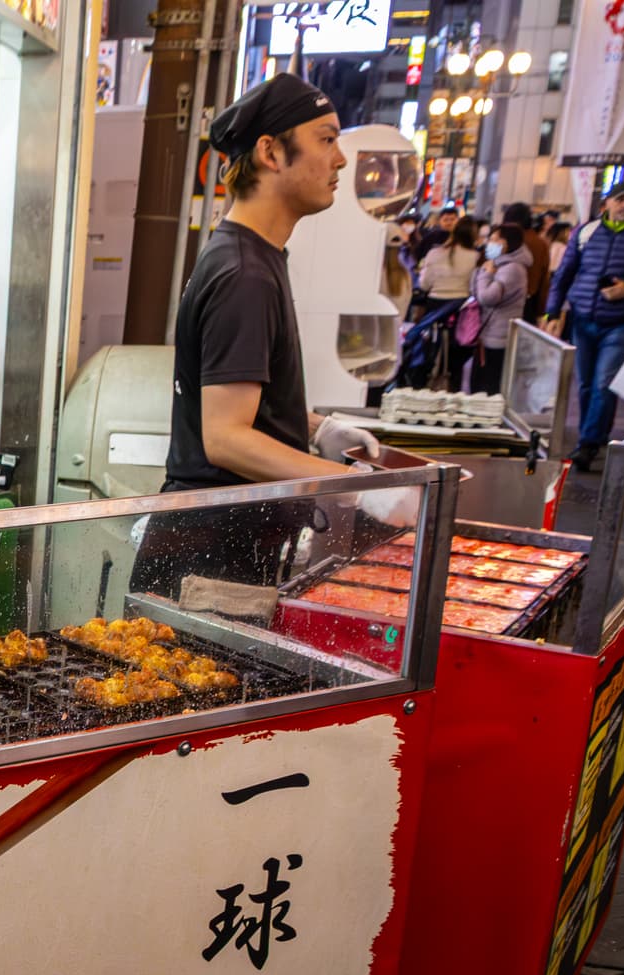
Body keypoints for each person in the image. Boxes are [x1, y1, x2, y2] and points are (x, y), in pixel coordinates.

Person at [130, 73, 417, 600]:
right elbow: (226, 436)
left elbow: (234, 400)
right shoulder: (245, 272)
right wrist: (353, 486)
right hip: (213, 553)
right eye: (326, 139)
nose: (341, 159)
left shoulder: (254, 255)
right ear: (270, 152)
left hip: (224, 541)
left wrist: (314, 428)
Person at [542, 180, 624, 472]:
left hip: (622, 322)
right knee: (586, 384)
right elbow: (563, 275)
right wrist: (552, 312)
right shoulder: (585, 232)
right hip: (583, 318)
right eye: (620, 199)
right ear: (607, 204)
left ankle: (587, 444)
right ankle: (596, 435)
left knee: (604, 383)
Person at [468, 223, 531, 394]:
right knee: (479, 385)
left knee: (488, 388)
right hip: (488, 334)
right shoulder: (498, 264)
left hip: (498, 337)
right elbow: (475, 291)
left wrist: (486, 273)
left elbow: (487, 297)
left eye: (494, 239)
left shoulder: (512, 269)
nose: (489, 243)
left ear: (507, 243)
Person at [503, 202, 551, 320]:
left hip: (500, 299)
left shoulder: (502, 238)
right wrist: (541, 310)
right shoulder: (540, 243)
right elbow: (544, 279)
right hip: (529, 301)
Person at [418, 215, 481, 304]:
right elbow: (475, 286)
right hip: (462, 304)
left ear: (454, 232)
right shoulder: (476, 257)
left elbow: (424, 285)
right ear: (474, 236)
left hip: (435, 303)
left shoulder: (434, 253)